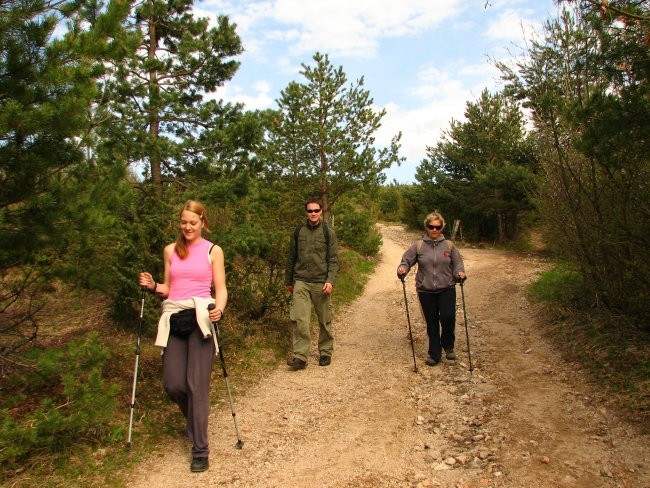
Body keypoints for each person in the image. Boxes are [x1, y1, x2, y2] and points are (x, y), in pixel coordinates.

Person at [139, 200, 227, 473]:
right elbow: (168, 287)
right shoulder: (170, 250)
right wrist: (153, 285)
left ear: (203, 222)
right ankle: (196, 421)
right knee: (173, 384)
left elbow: (221, 288)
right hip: (174, 318)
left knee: (196, 384)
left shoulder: (213, 251)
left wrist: (219, 310)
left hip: (201, 318)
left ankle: (200, 450)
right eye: (183, 222)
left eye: (193, 222)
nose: (187, 227)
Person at [397, 211, 466, 367]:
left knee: (448, 317)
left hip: (447, 287)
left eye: (438, 227)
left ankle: (448, 346)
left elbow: (457, 264)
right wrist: (402, 268)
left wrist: (459, 273)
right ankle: (434, 354)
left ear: (442, 227)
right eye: (431, 227)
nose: (434, 230)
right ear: (426, 227)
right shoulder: (418, 245)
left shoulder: (449, 245)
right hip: (425, 290)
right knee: (432, 322)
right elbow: (406, 261)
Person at [284, 197, 339, 370]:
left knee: (324, 319)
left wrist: (330, 280)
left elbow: (333, 260)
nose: (313, 213)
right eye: (310, 211)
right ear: (306, 212)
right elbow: (291, 257)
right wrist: (288, 280)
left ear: (321, 211)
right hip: (301, 281)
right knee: (300, 319)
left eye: (316, 210)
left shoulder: (328, 232)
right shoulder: (298, 231)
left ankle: (325, 352)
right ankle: (300, 356)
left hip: (321, 282)